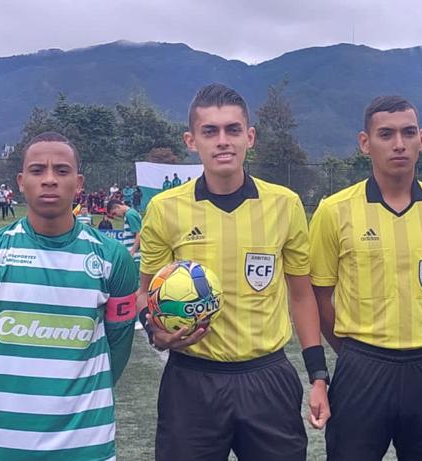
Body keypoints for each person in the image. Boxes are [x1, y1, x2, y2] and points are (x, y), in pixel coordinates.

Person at [138, 83, 330, 461]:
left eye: (233, 130)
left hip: (267, 377)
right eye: (210, 131)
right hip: (191, 379)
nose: (223, 141)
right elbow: (145, 292)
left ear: (250, 137)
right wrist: (155, 332)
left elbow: (301, 295)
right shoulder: (164, 208)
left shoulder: (285, 205)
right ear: (191, 141)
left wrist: (318, 375)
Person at [0, 132, 139, 460]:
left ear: (78, 183)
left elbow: (119, 343)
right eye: (37, 170)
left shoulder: (113, 257)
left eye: (61, 171)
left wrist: (87, 399)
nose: (49, 179)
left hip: (86, 442)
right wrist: (1, 397)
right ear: (21, 182)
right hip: (4, 441)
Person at [308, 95, 422, 461]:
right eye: (386, 134)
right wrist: (354, 352)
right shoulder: (334, 211)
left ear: (421, 139)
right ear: (365, 143)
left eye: (408, 133)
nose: (399, 144)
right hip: (362, 367)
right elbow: (319, 296)